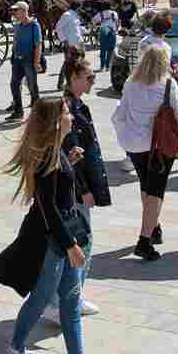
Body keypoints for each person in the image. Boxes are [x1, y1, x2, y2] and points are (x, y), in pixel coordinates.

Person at [0, 96, 110, 354]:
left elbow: (54, 192)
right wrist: (70, 246)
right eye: (67, 112)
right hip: (55, 243)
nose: (71, 115)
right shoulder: (49, 156)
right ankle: (16, 350)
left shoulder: (55, 153)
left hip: (64, 238)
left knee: (70, 301)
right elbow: (47, 207)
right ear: (57, 121)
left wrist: (68, 163)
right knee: (43, 298)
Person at [112, 43, 178, 261]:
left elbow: (121, 112)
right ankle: (144, 240)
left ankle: (153, 226)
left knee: (146, 186)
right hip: (159, 146)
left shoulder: (130, 83)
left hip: (135, 145)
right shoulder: (168, 84)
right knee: (156, 190)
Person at [55, 56, 109, 321]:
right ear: (74, 77)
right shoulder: (66, 109)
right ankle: (62, 301)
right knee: (80, 244)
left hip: (78, 187)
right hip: (73, 191)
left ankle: (73, 296)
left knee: (80, 243)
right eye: (89, 78)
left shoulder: (77, 105)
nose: (92, 82)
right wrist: (83, 189)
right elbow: (70, 154)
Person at [5, 1, 43, 122]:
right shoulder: (19, 25)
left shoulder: (34, 25)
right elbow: (16, 41)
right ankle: (18, 111)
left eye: (16, 11)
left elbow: (38, 45)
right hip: (17, 60)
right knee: (14, 85)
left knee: (32, 86)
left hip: (29, 60)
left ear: (24, 11)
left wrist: (36, 62)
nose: (14, 13)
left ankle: (38, 112)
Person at [54, 0, 84, 90]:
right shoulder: (67, 15)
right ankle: (61, 83)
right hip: (70, 44)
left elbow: (76, 28)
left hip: (78, 43)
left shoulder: (75, 15)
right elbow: (58, 28)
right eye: (80, 8)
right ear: (78, 8)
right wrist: (64, 40)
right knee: (67, 64)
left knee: (77, 64)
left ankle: (73, 83)